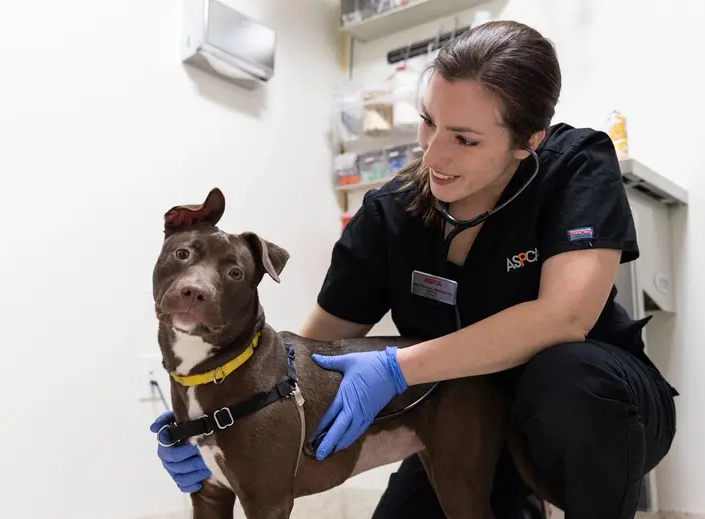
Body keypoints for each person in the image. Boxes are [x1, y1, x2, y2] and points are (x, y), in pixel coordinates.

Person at [150, 20, 678, 519]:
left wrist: (398, 368)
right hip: (453, 413)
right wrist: (230, 413)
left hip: (585, 411)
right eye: (429, 122)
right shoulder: (390, 213)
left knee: (568, 379)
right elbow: (306, 358)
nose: (434, 154)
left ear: (528, 142)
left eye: (465, 139)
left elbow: (563, 319)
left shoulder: (575, 165)